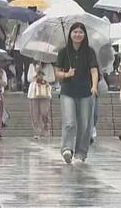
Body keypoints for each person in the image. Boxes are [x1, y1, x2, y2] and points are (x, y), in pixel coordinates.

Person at [56, 22, 99, 163]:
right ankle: (67, 149)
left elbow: (94, 70)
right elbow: (57, 73)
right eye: (75, 32)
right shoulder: (63, 52)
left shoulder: (89, 51)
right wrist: (66, 74)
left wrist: (94, 86)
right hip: (68, 91)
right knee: (69, 122)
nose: (77, 35)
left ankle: (81, 152)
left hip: (85, 92)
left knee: (85, 124)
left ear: (85, 35)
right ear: (70, 34)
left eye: (80, 32)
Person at [27, 60, 55, 139]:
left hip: (45, 92)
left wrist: (43, 76)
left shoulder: (49, 66)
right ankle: (37, 132)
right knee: (34, 114)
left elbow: (52, 78)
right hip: (33, 93)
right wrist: (36, 73)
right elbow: (29, 78)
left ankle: (46, 129)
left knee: (44, 112)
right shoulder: (31, 65)